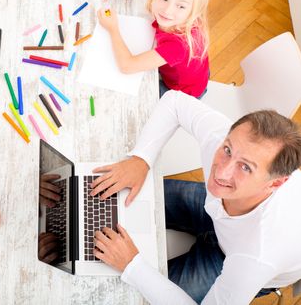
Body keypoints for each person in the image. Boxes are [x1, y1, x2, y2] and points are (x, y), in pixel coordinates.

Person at [89, 90, 301, 304]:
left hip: (230, 261)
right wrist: (140, 160)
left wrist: (132, 265)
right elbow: (174, 101)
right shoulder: (230, 146)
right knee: (110, 195)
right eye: (227, 150)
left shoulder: (258, 256)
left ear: (275, 183)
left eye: (245, 167)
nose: (221, 172)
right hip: (216, 209)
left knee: (127, 294)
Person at [98, 0, 211, 99]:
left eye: (180, 6)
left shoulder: (177, 46)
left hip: (182, 93)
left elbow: (127, 66)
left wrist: (113, 28)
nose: (167, 10)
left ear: (195, 11)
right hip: (194, 74)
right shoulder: (186, 12)